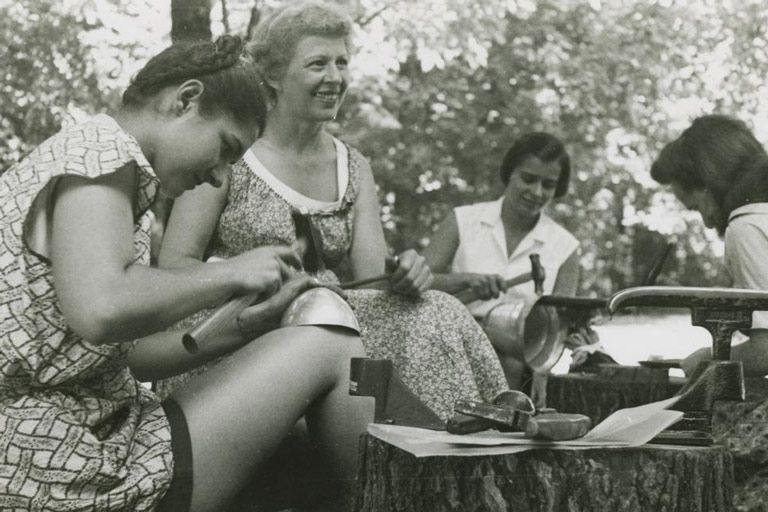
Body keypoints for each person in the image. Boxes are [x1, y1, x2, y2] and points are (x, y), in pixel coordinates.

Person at [0, 35, 372, 512]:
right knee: (331, 344)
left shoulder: (89, 163)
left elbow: (118, 358)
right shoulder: (100, 153)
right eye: (224, 148)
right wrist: (234, 272)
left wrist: (244, 330)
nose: (219, 177)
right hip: (63, 470)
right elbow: (103, 308)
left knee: (300, 448)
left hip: (81, 442)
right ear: (187, 100)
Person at [154, 0, 508, 419]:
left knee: (437, 310)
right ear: (273, 74)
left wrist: (407, 274)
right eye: (318, 63)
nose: (335, 78)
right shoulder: (232, 150)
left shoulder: (354, 167)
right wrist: (241, 276)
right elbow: (175, 263)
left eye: (342, 62)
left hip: (327, 319)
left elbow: (371, 285)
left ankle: (473, 440)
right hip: (242, 323)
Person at [424, 132, 581, 386]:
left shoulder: (565, 247)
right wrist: (467, 281)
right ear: (510, 173)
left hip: (520, 363)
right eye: (528, 179)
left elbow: (558, 329)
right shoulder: (463, 221)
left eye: (548, 185)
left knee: (511, 366)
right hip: (451, 345)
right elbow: (420, 282)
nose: (536, 192)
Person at [651, 114, 768, 378]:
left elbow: (766, 352)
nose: (705, 222)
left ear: (711, 181)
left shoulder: (746, 226)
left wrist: (709, 360)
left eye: (696, 207)